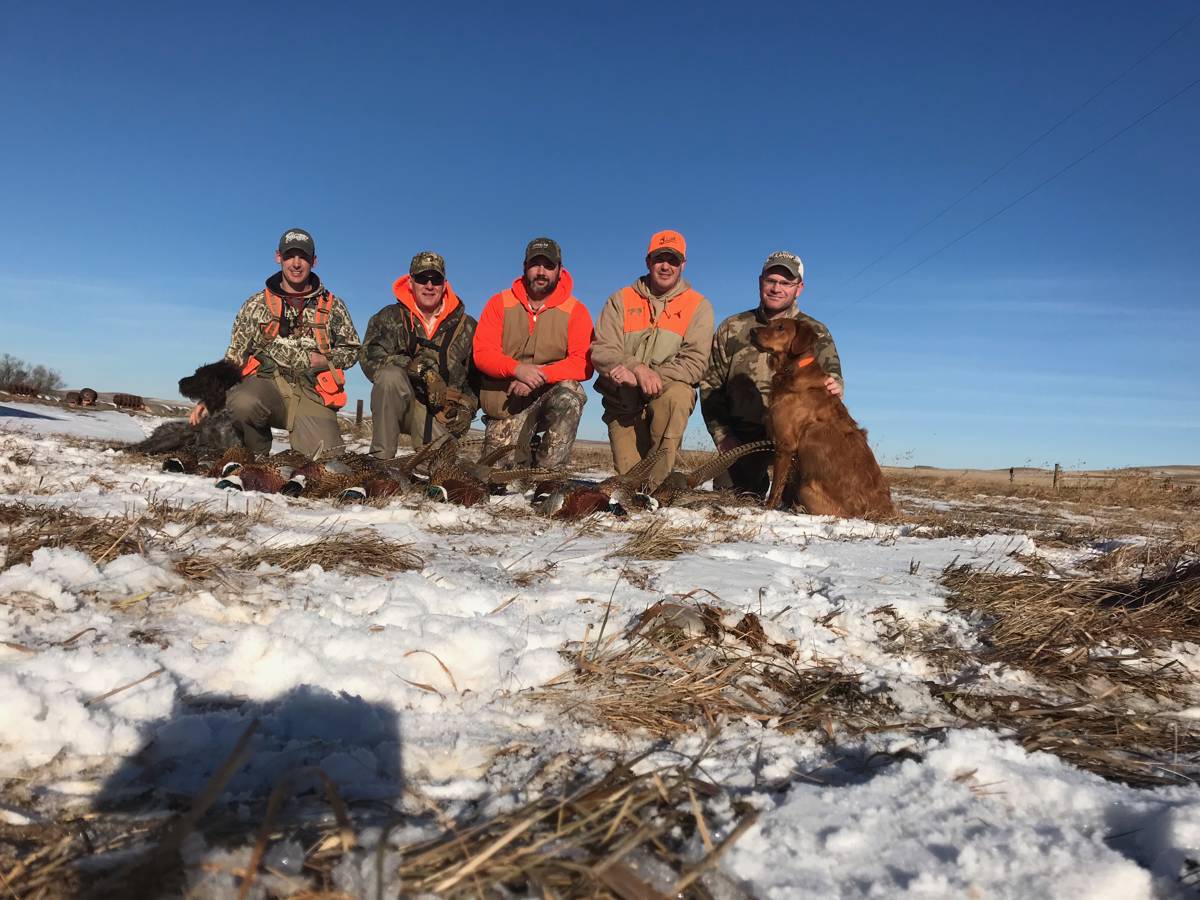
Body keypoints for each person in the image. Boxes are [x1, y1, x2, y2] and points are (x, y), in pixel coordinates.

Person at [189, 228, 360, 459]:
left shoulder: (333, 306)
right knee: (242, 401)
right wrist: (211, 396)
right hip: (268, 387)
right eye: (290, 256)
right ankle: (255, 455)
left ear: (314, 261)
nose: (296, 264)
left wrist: (325, 359)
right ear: (278, 257)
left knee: (327, 461)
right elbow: (235, 356)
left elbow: (352, 350)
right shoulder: (255, 305)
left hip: (312, 391)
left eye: (304, 257)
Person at [699, 250, 843, 497]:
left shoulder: (815, 331)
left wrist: (836, 385)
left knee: (803, 502)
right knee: (731, 498)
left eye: (786, 283)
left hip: (798, 442)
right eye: (771, 280)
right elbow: (710, 386)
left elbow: (833, 378)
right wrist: (723, 436)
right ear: (760, 282)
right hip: (745, 438)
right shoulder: (732, 327)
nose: (777, 288)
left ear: (799, 288)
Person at [591, 230, 713, 489]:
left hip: (663, 397)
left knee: (679, 394)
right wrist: (635, 369)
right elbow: (601, 349)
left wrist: (649, 376)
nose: (666, 266)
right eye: (659, 259)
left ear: (683, 265)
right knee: (630, 484)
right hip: (623, 404)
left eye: (673, 260)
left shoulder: (699, 306)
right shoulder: (620, 299)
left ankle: (659, 486)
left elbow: (695, 364)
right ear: (648, 261)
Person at [472, 237, 594, 468]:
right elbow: (482, 353)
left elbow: (583, 363)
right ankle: (525, 453)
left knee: (570, 394)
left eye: (548, 266)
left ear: (559, 270)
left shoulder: (576, 310)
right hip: (508, 401)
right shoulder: (499, 303)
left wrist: (538, 376)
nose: (541, 272)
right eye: (535, 264)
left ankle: (547, 478)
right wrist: (517, 370)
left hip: (549, 394)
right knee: (494, 474)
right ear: (524, 267)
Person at [359, 251, 478, 459]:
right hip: (400, 406)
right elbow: (370, 355)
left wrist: (467, 408)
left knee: (440, 471)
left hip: (440, 413)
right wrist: (417, 368)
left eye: (436, 279)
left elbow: (476, 379)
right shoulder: (390, 316)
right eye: (422, 278)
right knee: (390, 376)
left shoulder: (467, 326)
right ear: (411, 281)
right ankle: (380, 461)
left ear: (444, 284)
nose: (429, 286)